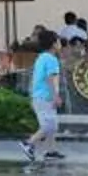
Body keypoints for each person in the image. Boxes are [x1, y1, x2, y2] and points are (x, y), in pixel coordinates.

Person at [23, 29, 66, 164]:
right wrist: (55, 96)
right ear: (53, 44)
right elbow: (51, 78)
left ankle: (50, 150)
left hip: (39, 96)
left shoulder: (41, 57)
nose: (60, 44)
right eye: (58, 41)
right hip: (45, 96)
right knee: (48, 125)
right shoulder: (51, 59)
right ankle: (29, 143)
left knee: (51, 123)